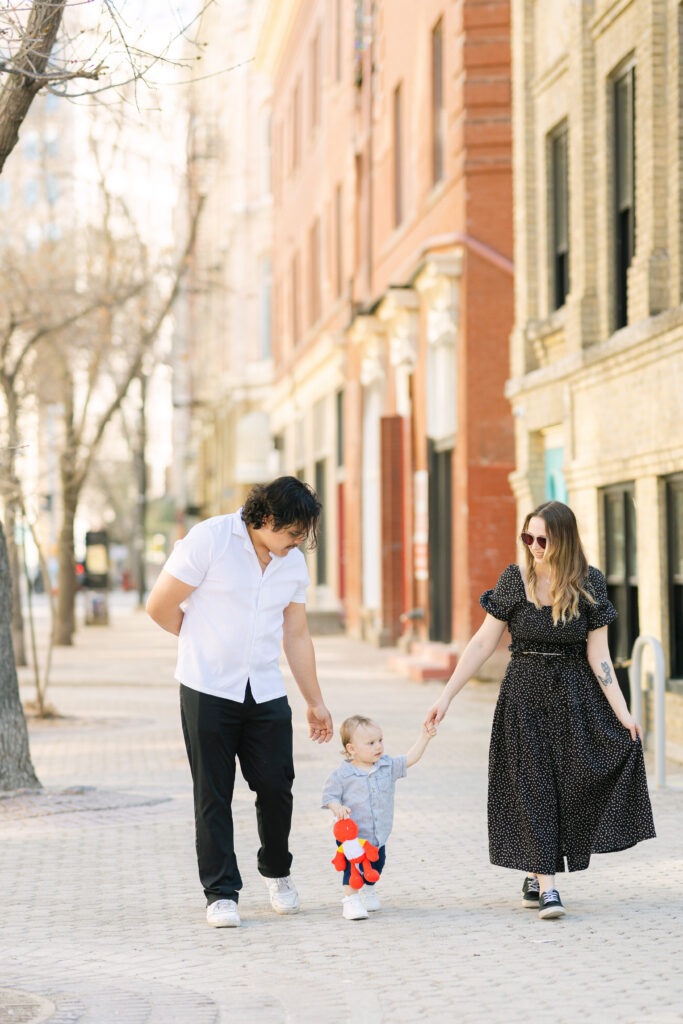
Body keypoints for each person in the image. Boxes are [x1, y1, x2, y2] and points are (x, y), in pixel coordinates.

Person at [424, 500, 655, 920]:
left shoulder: (590, 584)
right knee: (532, 789)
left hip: (575, 700)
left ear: (563, 539)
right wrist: (447, 696)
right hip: (523, 700)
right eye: (526, 537)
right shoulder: (515, 580)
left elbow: (599, 656)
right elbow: (481, 643)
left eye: (541, 539)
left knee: (566, 788)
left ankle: (536, 870)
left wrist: (623, 712)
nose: (532, 545)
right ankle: (548, 885)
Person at [146, 476, 333, 928]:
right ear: (267, 518)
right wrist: (201, 644)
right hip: (207, 687)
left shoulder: (291, 565)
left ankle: (277, 871)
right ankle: (221, 892)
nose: (298, 543)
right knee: (212, 792)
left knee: (276, 786)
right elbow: (159, 605)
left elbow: (297, 633)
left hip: (265, 690)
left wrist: (315, 700)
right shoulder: (209, 539)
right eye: (293, 533)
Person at [322, 715, 436, 920]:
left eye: (380, 740)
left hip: (378, 834)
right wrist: (336, 807)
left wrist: (424, 738)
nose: (378, 746)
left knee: (377, 864)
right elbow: (329, 796)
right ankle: (351, 901)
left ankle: (368, 888)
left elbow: (409, 759)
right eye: (371, 743)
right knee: (352, 865)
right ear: (352, 749)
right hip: (352, 836)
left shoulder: (386, 766)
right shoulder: (342, 774)